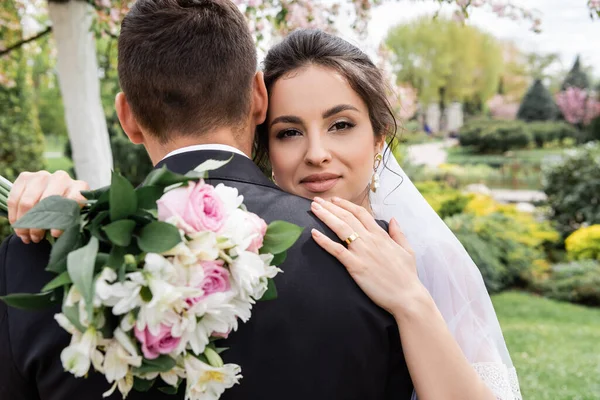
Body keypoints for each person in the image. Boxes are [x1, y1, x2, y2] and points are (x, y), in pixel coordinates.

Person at [2, 11, 520, 400]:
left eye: (341, 124)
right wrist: (59, 206)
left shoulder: (40, 257)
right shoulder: (72, 228)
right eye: (289, 131)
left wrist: (413, 300)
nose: (317, 153)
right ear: (258, 104)